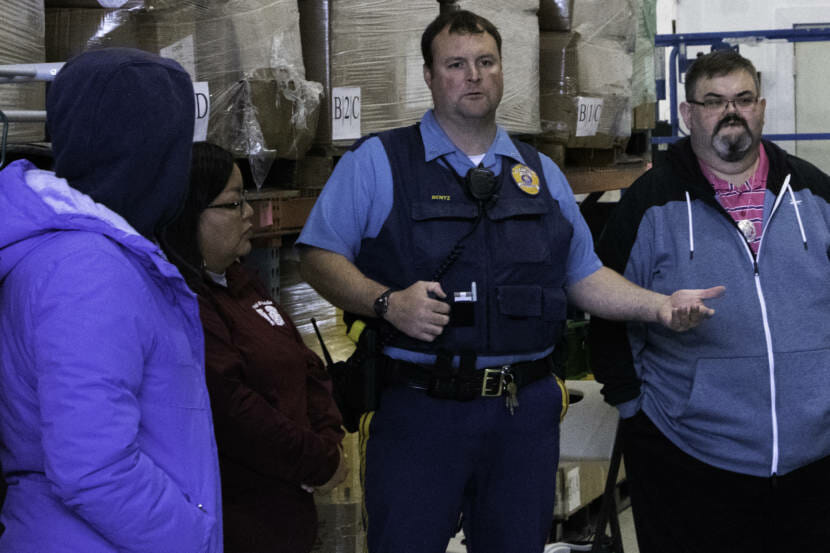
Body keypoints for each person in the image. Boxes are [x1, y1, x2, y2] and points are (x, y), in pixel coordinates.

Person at [296, 10, 723, 553]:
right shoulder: (379, 162)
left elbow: (584, 275)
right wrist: (385, 302)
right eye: (455, 64)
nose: (473, 75)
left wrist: (658, 306)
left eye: (486, 62)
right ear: (429, 76)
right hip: (422, 411)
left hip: (523, 417)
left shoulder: (539, 172)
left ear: (502, 71)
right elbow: (318, 257)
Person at [589, 48, 830, 553]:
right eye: (714, 101)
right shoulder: (650, 203)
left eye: (743, 98)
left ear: (761, 107)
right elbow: (605, 309)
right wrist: (633, 408)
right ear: (687, 113)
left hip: (815, 459)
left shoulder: (815, 194)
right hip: (689, 458)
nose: (731, 112)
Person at [0, 49, 222, 551]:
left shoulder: (95, 254)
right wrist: (193, 539)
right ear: (150, 154)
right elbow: (94, 469)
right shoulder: (88, 269)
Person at [162, 142, 347, 553]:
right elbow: (234, 410)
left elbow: (306, 364)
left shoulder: (242, 280)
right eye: (233, 203)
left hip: (289, 516)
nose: (248, 213)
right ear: (190, 213)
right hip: (241, 521)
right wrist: (317, 461)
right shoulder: (186, 303)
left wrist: (328, 439)